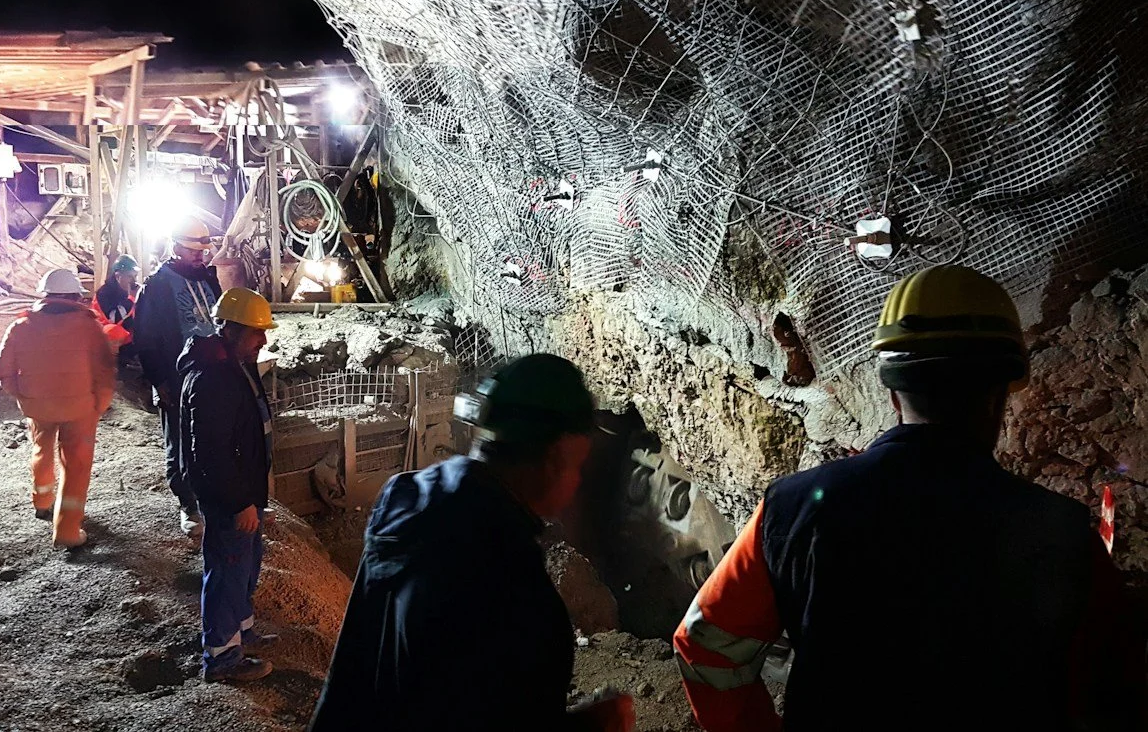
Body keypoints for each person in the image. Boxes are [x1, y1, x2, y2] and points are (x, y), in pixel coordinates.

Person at [675, 266, 1144, 731]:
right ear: (998, 398)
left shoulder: (792, 508)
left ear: (894, 394)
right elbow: (1112, 694)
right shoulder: (1063, 534)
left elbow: (706, 645)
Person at [309, 353, 633, 731]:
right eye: (579, 465)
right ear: (558, 454)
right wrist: (596, 724)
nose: (578, 482)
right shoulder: (521, 598)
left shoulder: (403, 500)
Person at [182, 287, 279, 682]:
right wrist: (240, 501)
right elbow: (213, 451)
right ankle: (222, 657)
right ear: (233, 329)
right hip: (228, 496)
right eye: (257, 332)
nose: (264, 340)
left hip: (243, 490)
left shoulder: (235, 364)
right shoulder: (214, 377)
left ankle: (241, 630)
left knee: (244, 566)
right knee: (227, 569)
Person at [0, 266, 119, 547]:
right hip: (80, 409)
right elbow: (104, 372)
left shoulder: (20, 326)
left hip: (38, 407)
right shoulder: (89, 327)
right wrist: (98, 405)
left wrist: (22, 395)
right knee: (76, 467)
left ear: (45, 295)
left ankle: (42, 501)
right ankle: (67, 532)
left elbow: (2, 370)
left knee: (41, 450)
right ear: (75, 296)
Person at [127, 221, 225, 531]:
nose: (199, 255)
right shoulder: (157, 286)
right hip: (176, 377)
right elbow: (145, 338)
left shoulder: (209, 278)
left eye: (202, 250)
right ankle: (188, 505)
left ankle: (217, 496)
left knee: (215, 436)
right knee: (181, 442)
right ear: (176, 247)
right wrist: (159, 380)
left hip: (213, 376)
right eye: (193, 250)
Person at [96, 255, 141, 325]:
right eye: (129, 276)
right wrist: (132, 298)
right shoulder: (103, 293)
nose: (134, 280)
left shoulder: (129, 291)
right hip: (105, 331)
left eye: (135, 276)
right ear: (117, 276)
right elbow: (115, 319)